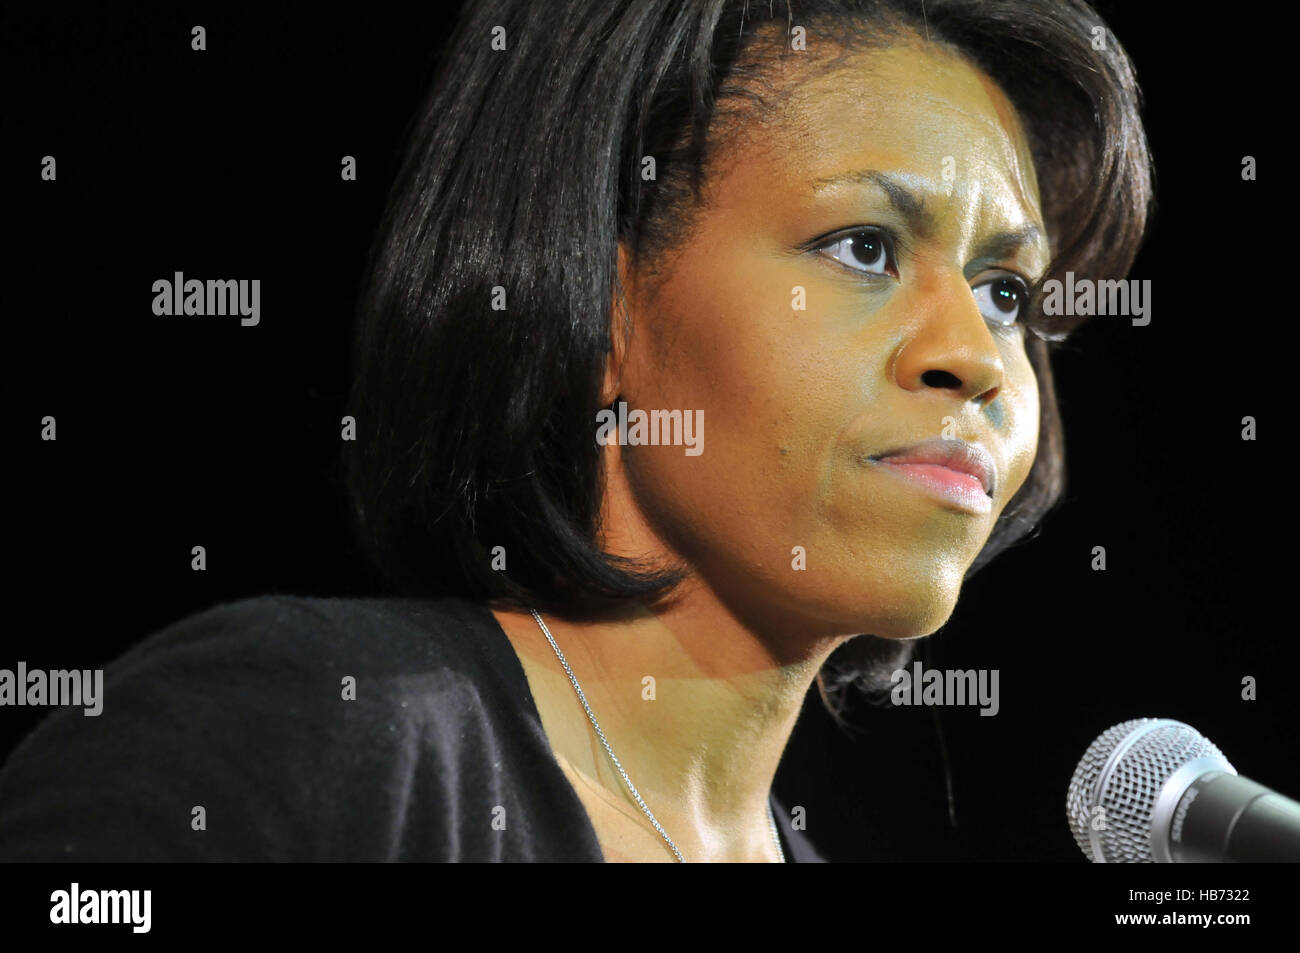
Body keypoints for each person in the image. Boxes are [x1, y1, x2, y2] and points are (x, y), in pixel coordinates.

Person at [0, 0, 1151, 863]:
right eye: (862, 247)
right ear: (596, 308)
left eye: (1007, 290)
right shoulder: (304, 736)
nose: (982, 356)